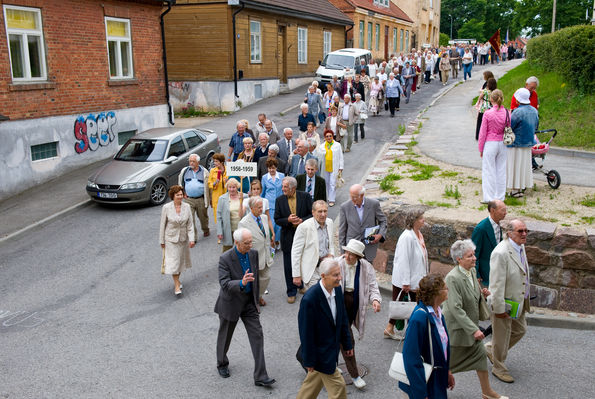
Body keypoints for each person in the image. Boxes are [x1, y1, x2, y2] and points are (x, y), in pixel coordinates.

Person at [443, 240, 508, 399]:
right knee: (444, 367)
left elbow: (471, 294)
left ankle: (488, 393)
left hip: (470, 328)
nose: (474, 258)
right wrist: (474, 330)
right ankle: (424, 389)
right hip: (459, 331)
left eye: (473, 254)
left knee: (480, 357)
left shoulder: (471, 272)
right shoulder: (452, 278)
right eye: (469, 256)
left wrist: (482, 294)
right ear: (459, 260)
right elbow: (455, 308)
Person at [214, 228, 276, 387]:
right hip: (231, 303)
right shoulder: (225, 259)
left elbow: (255, 279)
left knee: (258, 336)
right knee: (225, 336)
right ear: (237, 243)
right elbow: (224, 284)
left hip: (249, 303)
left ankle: (261, 376)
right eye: (247, 243)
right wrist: (241, 283)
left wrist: (256, 299)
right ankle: (222, 363)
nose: (250, 245)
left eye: (251, 242)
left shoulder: (253, 254)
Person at [296, 258, 353, 399]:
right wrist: (308, 360)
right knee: (339, 387)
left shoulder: (337, 290)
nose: (339, 278)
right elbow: (306, 333)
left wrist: (347, 344)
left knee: (311, 387)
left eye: (339, 274)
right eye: (335, 275)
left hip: (330, 350)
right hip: (320, 353)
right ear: (323, 276)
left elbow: (343, 319)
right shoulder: (310, 299)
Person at [485, 220, 531, 384]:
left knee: (520, 330)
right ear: (509, 233)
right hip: (504, 304)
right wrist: (498, 309)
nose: (524, 234)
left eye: (526, 230)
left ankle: (492, 349)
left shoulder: (520, 246)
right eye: (520, 231)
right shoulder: (501, 253)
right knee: (501, 336)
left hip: (518, 302)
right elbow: (496, 284)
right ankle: (499, 367)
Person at [400, 273, 454, 398]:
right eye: (445, 288)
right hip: (424, 383)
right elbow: (411, 358)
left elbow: (443, 348)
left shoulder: (439, 314)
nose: (448, 290)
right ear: (436, 293)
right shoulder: (420, 318)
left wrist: (447, 371)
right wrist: (421, 393)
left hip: (436, 378)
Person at [337, 239, 382, 390]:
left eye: (351, 254)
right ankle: (355, 375)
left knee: (335, 336)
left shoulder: (366, 267)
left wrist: (375, 300)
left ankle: (330, 364)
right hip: (338, 304)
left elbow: (373, 285)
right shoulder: (338, 263)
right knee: (347, 339)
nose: (347, 256)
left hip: (354, 304)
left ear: (358, 256)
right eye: (347, 252)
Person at [385, 208, 428, 340]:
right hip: (407, 279)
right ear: (414, 221)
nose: (424, 220)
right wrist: (406, 282)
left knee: (409, 305)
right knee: (406, 305)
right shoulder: (407, 237)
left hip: (416, 276)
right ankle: (405, 331)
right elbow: (403, 260)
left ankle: (394, 329)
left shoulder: (418, 234)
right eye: (421, 218)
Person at [274, 176, 313, 303]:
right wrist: (288, 220)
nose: (283, 189)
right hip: (288, 237)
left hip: (303, 236)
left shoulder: (305, 196)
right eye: (283, 186)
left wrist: (302, 221)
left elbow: (312, 214)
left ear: (293, 188)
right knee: (288, 265)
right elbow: (277, 219)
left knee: (302, 262)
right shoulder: (279, 200)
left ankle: (300, 285)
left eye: (285, 187)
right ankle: (291, 291)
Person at [291, 200, 336, 290]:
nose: (323, 214)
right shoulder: (304, 227)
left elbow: (331, 243)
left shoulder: (330, 222)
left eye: (325, 211)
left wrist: (332, 255)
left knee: (328, 296)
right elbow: (296, 251)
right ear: (313, 212)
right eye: (320, 211)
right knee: (317, 298)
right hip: (312, 270)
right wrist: (296, 275)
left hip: (326, 268)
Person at [159, 185, 195, 295]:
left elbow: (190, 224)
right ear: (173, 196)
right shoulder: (166, 207)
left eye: (181, 194)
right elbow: (162, 224)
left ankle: (177, 281)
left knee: (180, 262)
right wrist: (162, 241)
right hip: (170, 238)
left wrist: (192, 239)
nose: (180, 197)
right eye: (177, 195)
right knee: (174, 263)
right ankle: (176, 286)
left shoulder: (187, 207)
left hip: (183, 238)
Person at [238, 197, 274, 306]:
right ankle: (253, 300)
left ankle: (258, 296)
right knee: (252, 280)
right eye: (259, 207)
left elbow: (265, 237)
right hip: (252, 256)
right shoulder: (244, 222)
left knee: (266, 277)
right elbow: (241, 242)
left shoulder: (263, 217)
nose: (261, 209)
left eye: (262, 207)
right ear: (252, 208)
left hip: (265, 254)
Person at [338, 184, 387, 263]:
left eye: (355, 197)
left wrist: (380, 235)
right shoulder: (345, 207)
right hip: (352, 248)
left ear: (362, 195)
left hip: (369, 247)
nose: (352, 199)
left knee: (367, 272)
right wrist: (342, 251)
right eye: (351, 196)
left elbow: (383, 221)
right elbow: (342, 230)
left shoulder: (373, 204)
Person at [507, 88, 538, 197]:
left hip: (517, 143)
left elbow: (510, 126)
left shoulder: (517, 112)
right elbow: (536, 125)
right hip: (528, 142)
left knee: (515, 166)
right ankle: (521, 187)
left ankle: (515, 188)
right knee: (524, 166)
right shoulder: (534, 111)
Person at [478, 89, 508, 202]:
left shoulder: (488, 113)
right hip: (502, 143)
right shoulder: (506, 112)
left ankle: (489, 197)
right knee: (501, 170)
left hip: (490, 143)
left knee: (488, 170)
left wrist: (481, 148)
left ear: (491, 99)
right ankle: (500, 196)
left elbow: (482, 133)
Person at [472, 200, 507, 287]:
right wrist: (476, 274)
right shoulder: (481, 229)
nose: (505, 213)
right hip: (486, 276)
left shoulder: (498, 225)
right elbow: (474, 253)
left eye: (506, 210)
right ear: (492, 210)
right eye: (502, 210)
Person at [178, 154, 210, 238]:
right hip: (189, 199)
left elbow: (208, 186)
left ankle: (205, 229)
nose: (191, 163)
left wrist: (210, 200)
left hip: (201, 199)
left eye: (193, 161)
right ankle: (193, 237)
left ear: (198, 162)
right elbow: (180, 183)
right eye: (190, 161)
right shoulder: (184, 171)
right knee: (190, 219)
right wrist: (182, 194)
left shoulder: (204, 172)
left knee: (203, 217)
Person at [216, 178, 247, 252]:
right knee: (226, 251)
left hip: (240, 228)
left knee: (242, 249)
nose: (232, 189)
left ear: (237, 187)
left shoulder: (244, 196)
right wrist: (219, 231)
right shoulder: (222, 198)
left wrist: (242, 199)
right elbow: (219, 216)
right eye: (229, 187)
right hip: (228, 228)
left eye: (234, 187)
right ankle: (225, 263)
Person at [261, 157, 285, 247]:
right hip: (269, 205)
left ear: (276, 168)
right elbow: (263, 192)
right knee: (271, 224)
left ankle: (277, 240)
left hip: (280, 204)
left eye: (273, 168)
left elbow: (284, 190)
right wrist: (261, 203)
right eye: (270, 168)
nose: (271, 170)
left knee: (279, 225)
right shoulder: (264, 177)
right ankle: (271, 241)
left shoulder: (282, 176)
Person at [243, 179, 275, 244]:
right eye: (254, 189)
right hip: (250, 227)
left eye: (258, 189)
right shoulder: (246, 201)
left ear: (261, 190)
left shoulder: (265, 201)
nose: (256, 191)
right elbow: (241, 215)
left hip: (262, 228)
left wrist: (272, 232)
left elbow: (268, 218)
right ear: (251, 190)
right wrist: (241, 201)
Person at [317, 130, 343, 206]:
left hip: (334, 167)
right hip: (325, 167)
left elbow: (341, 156)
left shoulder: (337, 145)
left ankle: (332, 199)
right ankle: (328, 197)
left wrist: (341, 167)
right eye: (327, 136)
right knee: (326, 183)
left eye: (330, 136)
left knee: (332, 183)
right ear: (325, 137)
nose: (329, 137)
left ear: (332, 136)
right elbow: (319, 158)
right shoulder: (322, 146)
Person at [208, 153, 228, 223]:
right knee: (218, 215)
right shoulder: (212, 171)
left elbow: (234, 181)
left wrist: (228, 181)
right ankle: (220, 231)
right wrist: (214, 183)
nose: (215, 163)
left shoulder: (228, 170)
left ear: (222, 162)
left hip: (227, 195)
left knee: (227, 214)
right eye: (214, 161)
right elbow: (209, 183)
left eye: (216, 161)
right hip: (216, 196)